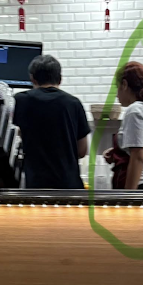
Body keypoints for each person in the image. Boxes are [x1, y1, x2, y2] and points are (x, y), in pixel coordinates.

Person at [13, 55, 90, 189]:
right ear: (60, 79)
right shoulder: (74, 103)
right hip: (69, 186)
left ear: (32, 78)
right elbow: (82, 151)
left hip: (37, 186)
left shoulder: (20, 101)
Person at [104, 62, 143, 190]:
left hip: (141, 185)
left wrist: (129, 196)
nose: (116, 95)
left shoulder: (135, 110)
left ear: (124, 84)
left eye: (117, 87)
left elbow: (138, 157)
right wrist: (119, 151)